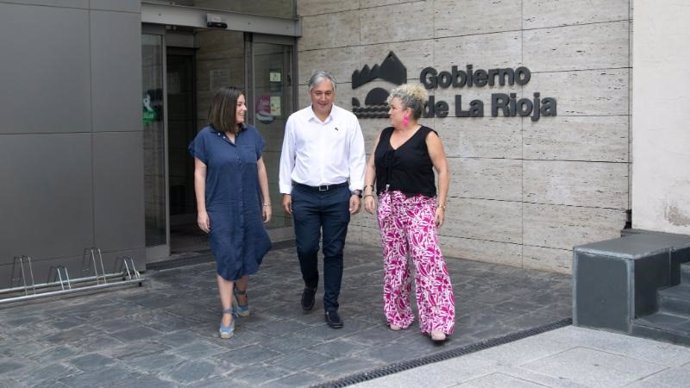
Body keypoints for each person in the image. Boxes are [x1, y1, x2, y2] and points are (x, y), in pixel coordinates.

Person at [363, 83, 455, 343]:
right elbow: (371, 164)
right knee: (395, 262)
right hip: (389, 207)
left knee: (428, 262)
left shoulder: (427, 136)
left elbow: (443, 170)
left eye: (392, 108)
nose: (389, 112)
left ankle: (438, 321)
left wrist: (441, 206)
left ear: (408, 111)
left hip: (419, 206)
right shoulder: (383, 134)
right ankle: (398, 314)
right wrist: (368, 191)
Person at [279, 70, 366, 329]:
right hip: (304, 194)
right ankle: (310, 283)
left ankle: (331, 306)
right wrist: (286, 190)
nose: (323, 98)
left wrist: (356, 191)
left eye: (328, 93)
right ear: (310, 93)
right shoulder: (296, 121)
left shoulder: (348, 120)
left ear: (334, 93)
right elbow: (287, 156)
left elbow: (357, 157)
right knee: (306, 248)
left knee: (334, 251)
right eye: (319, 93)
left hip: (338, 194)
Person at [189, 86, 272, 339]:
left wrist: (267, 202)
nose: (244, 109)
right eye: (239, 104)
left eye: (244, 104)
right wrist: (201, 210)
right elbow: (199, 173)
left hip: (249, 205)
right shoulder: (206, 137)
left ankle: (242, 292)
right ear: (226, 107)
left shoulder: (251, 135)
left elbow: (260, 169)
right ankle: (227, 312)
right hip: (220, 208)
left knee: (249, 250)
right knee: (226, 255)